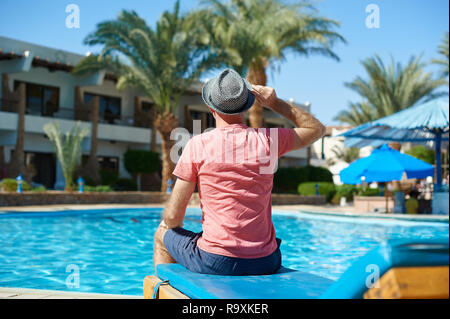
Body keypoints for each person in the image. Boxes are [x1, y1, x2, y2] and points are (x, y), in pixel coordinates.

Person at [153, 69, 325, 275]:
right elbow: (317, 129)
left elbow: (173, 217)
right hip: (266, 261)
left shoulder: (197, 145)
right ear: (246, 105)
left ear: (210, 107)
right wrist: (275, 103)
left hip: (215, 260)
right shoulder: (268, 140)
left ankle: (166, 293)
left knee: (162, 233)